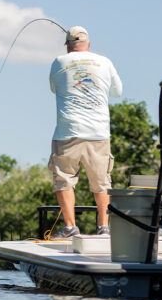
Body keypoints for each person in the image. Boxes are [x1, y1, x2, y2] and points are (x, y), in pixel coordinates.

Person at [48, 26, 123, 239]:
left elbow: (53, 88)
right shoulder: (105, 62)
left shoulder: (59, 62)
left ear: (68, 45)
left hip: (67, 132)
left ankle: (70, 227)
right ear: (88, 44)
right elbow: (118, 92)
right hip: (99, 132)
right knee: (102, 181)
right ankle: (104, 228)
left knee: (64, 179)